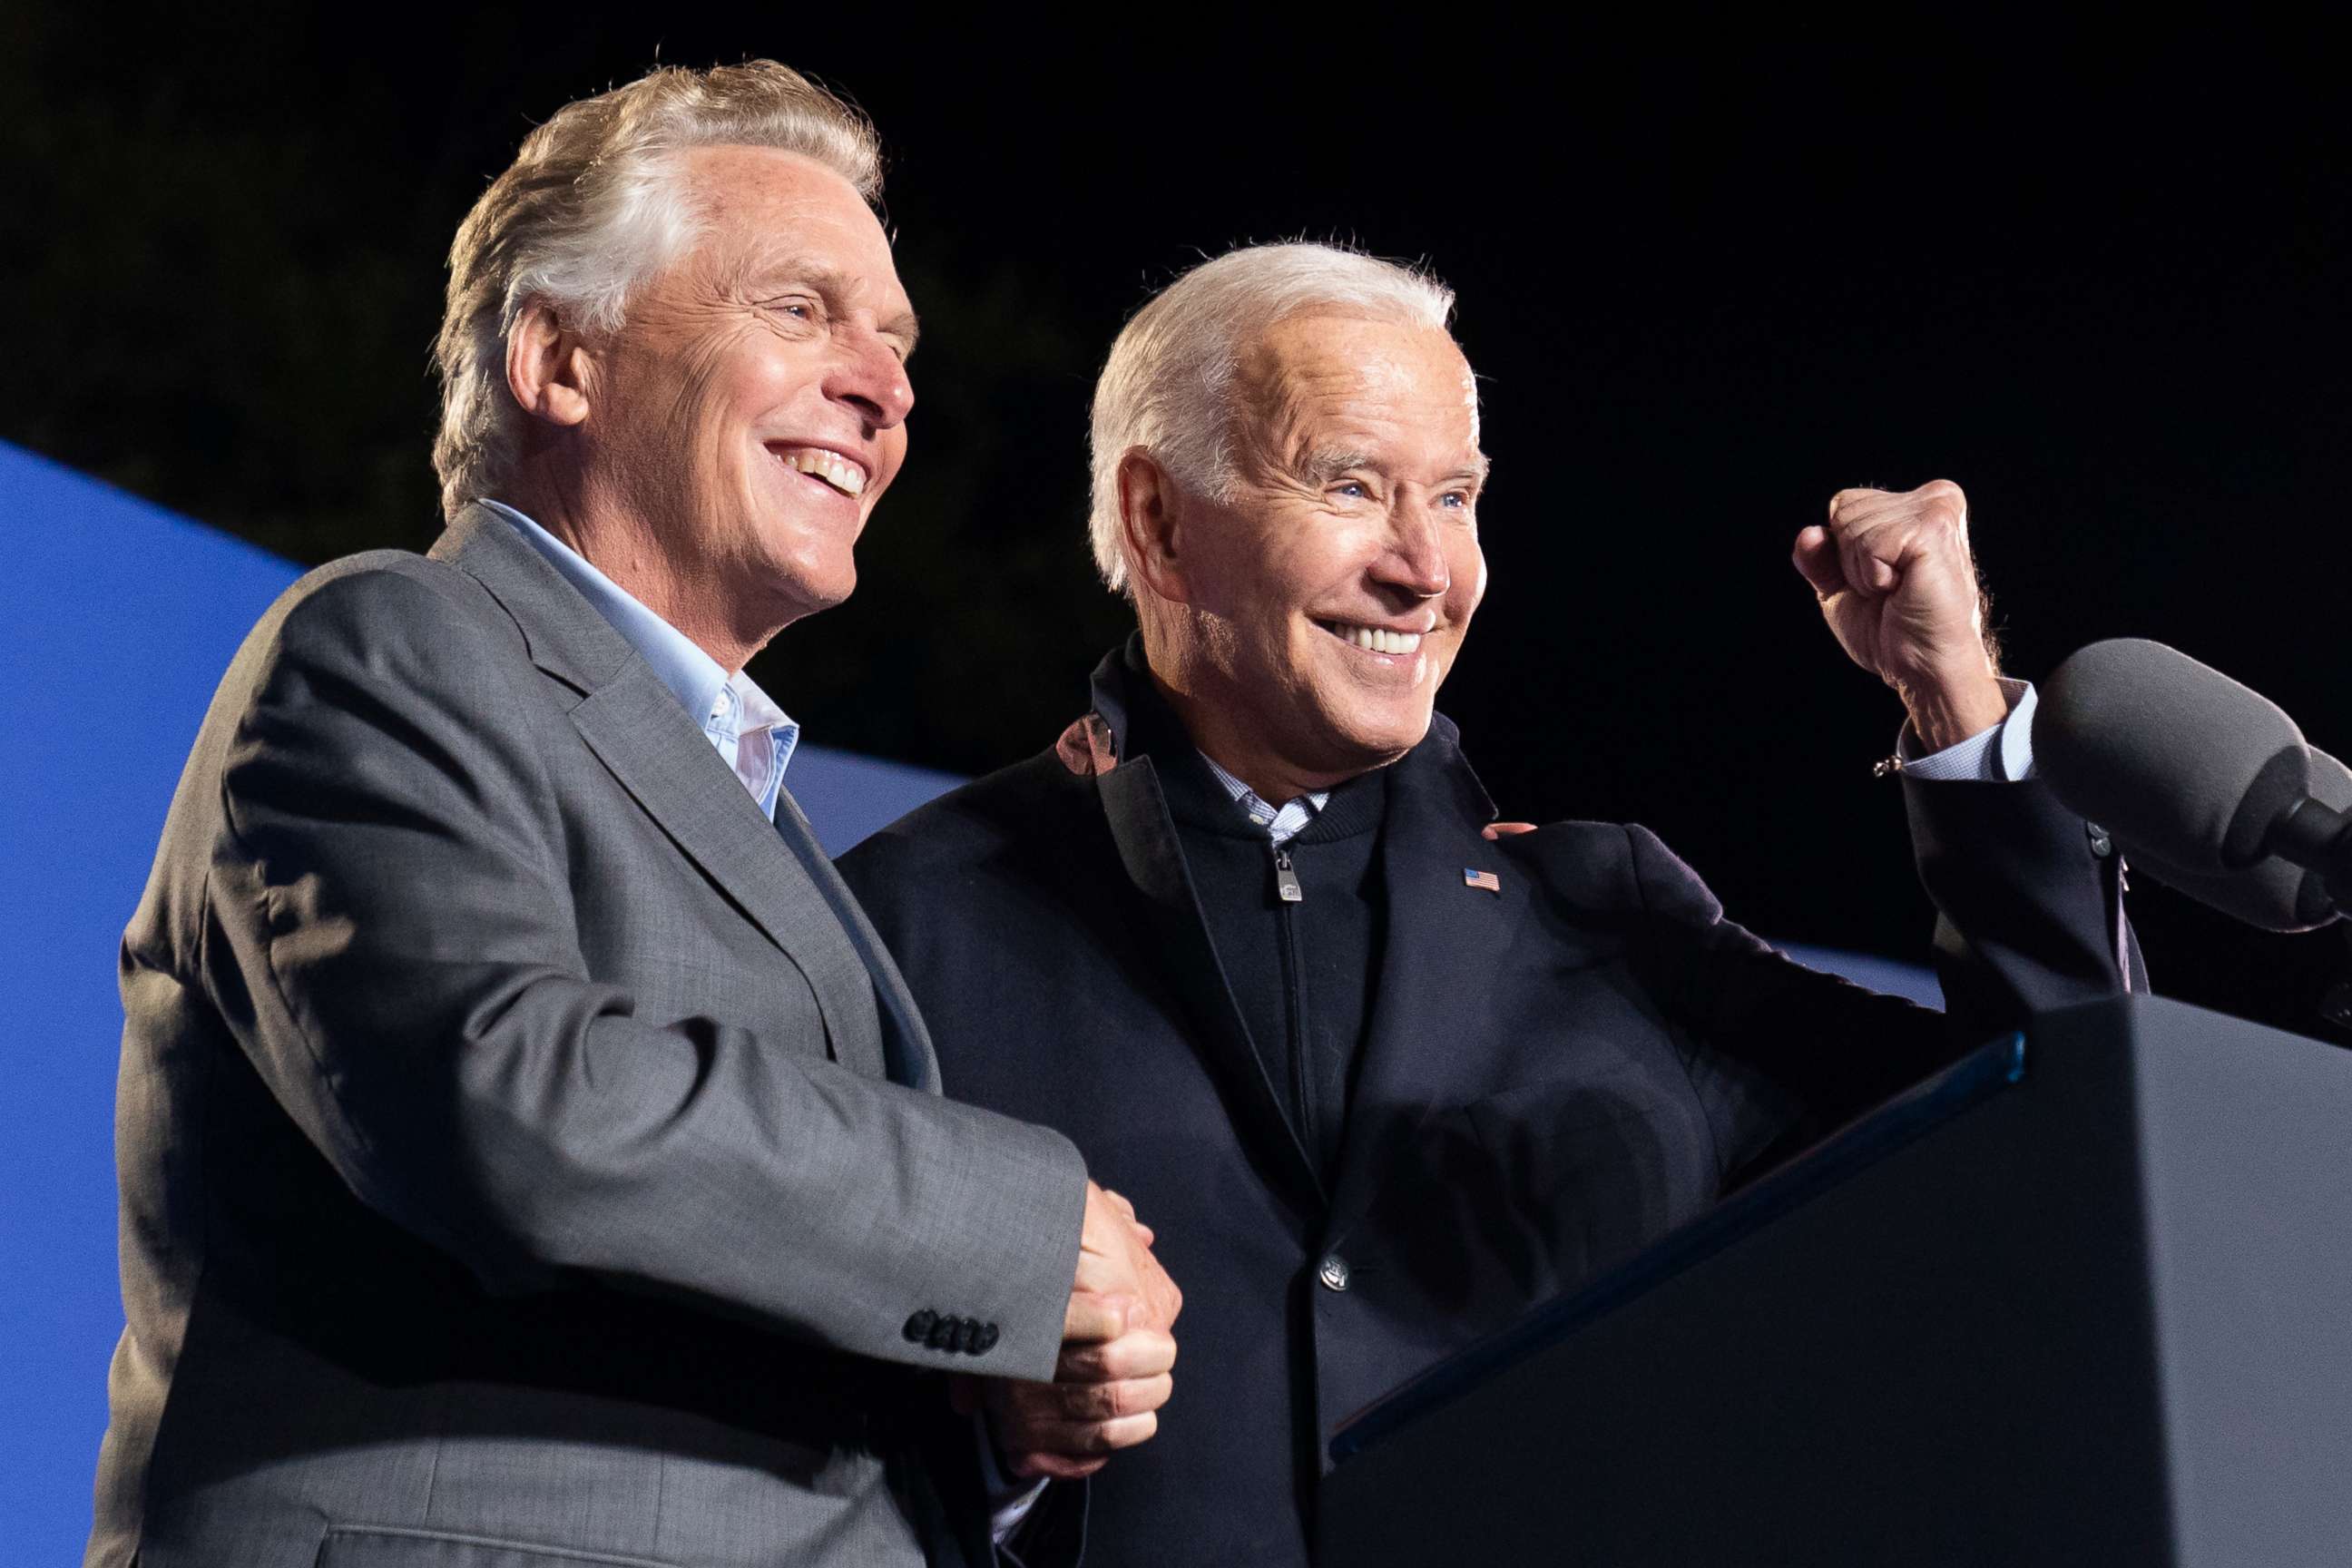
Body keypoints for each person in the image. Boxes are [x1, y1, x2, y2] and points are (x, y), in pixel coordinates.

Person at [836, 242, 2134, 1564]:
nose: (1425, 568)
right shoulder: (906, 925)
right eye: (1352, 486)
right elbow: (750, 1451)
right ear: (1160, 524)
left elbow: (2064, 1133)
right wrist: (990, 1457)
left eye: (1454, 498)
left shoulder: (1607, 920)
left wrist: (1956, 705)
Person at [89, 62, 1176, 1568]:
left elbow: (710, 1291)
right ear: (560, 360)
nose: (887, 385)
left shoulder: (750, 801)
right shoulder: (393, 644)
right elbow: (510, 1097)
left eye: (897, 342)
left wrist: (986, 1406)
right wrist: (1024, 1232)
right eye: (801, 310)